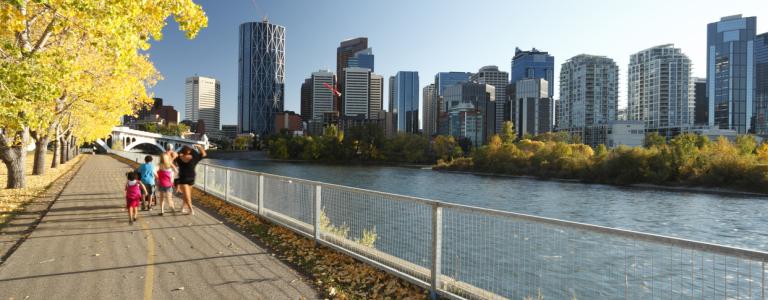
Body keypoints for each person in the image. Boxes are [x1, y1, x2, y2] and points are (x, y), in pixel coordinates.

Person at [174, 144, 206, 215]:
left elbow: (173, 158)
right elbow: (204, 154)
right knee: (187, 195)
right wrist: (200, 147)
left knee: (187, 195)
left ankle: (184, 208)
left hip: (184, 178)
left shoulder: (179, 158)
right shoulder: (194, 157)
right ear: (189, 151)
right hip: (190, 178)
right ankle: (191, 209)